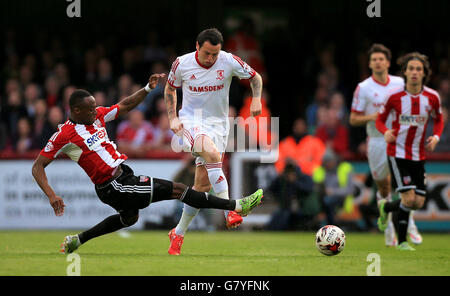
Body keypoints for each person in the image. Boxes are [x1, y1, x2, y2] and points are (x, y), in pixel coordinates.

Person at [31, 73, 263, 254]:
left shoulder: (98, 116)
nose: (95, 111)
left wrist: (147, 89)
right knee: (178, 190)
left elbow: (124, 106)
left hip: (121, 177)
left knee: (129, 218)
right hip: (113, 185)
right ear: (75, 110)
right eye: (90, 109)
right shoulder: (64, 135)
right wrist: (52, 195)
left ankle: (77, 240)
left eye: (95, 107)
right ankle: (235, 206)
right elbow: (37, 166)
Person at [164, 28, 263, 255]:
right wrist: (172, 118)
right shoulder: (182, 63)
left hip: (219, 127)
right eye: (207, 53)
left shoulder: (228, 60)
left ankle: (177, 234)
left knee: (201, 187)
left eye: (215, 54)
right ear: (197, 47)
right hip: (191, 122)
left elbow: (255, 77)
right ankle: (231, 210)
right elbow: (170, 88)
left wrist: (255, 100)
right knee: (212, 154)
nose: (211, 58)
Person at [349, 43, 421, 246]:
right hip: (377, 141)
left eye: (381, 59)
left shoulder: (400, 83)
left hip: (400, 139)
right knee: (384, 187)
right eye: (374, 60)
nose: (378, 62)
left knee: (407, 183)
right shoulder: (363, 88)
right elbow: (353, 119)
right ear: (370, 64)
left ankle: (410, 226)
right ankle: (389, 228)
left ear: (388, 62)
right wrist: (374, 116)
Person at [375, 52, 443, 251]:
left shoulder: (432, 97)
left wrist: (436, 137)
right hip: (397, 153)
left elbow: (439, 119)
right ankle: (402, 242)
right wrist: (385, 131)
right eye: (411, 69)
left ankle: (385, 207)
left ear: (424, 74)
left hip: (418, 155)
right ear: (404, 72)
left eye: (418, 69)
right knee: (408, 198)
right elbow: (380, 120)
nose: (414, 72)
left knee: (418, 202)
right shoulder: (394, 97)